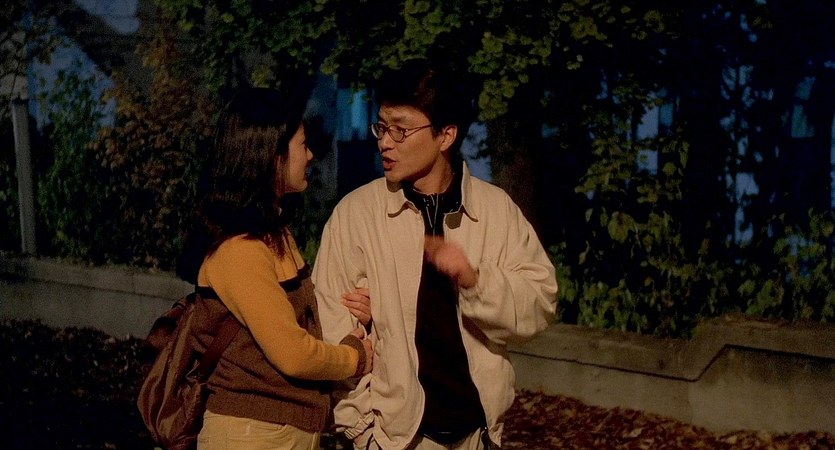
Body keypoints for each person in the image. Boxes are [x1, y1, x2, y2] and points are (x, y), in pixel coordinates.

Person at [313, 60, 559, 450]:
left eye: (401, 129)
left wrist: (475, 281)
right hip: (395, 439)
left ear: (445, 135)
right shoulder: (356, 215)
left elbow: (540, 306)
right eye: (382, 127)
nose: (385, 142)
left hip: (477, 434)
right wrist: (361, 430)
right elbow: (331, 325)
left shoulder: (495, 210)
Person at [176, 86, 373, 450]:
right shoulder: (240, 250)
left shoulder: (273, 234)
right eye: (302, 145)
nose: (310, 155)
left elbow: (300, 322)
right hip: (251, 435)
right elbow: (294, 354)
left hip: (279, 433)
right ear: (272, 155)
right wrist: (354, 357)